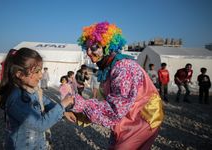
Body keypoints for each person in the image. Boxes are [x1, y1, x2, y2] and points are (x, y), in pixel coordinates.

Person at [70, 21, 164, 149]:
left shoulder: (124, 67)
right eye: (86, 48)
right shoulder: (109, 67)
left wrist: (79, 103)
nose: (88, 52)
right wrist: (81, 115)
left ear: (107, 46)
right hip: (127, 118)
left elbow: (115, 109)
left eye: (93, 47)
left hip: (143, 119)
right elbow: (107, 102)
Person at [0, 48, 75, 149]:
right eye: (37, 71)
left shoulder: (33, 90)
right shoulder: (16, 99)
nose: (41, 75)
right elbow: (40, 125)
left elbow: (46, 103)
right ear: (19, 74)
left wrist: (64, 112)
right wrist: (62, 105)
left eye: (41, 70)